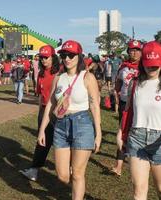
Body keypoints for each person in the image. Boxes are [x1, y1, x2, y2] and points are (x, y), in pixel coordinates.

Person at [117, 41, 161, 200]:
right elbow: (128, 110)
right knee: (138, 191)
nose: (151, 68)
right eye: (148, 65)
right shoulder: (135, 83)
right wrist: (120, 132)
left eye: (155, 65)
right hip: (136, 139)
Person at [38, 40, 101, 200]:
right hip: (60, 125)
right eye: (64, 55)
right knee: (63, 176)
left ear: (79, 56)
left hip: (82, 124)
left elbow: (94, 106)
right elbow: (51, 104)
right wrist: (42, 130)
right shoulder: (58, 77)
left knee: (78, 174)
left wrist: (98, 133)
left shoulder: (87, 77)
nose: (67, 58)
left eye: (71, 55)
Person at [20, 45, 60, 181]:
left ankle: (70, 169)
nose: (43, 60)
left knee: (62, 141)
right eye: (41, 57)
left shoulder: (60, 73)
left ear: (53, 57)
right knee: (42, 141)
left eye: (46, 57)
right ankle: (34, 170)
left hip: (59, 111)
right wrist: (40, 112)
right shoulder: (41, 74)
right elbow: (41, 96)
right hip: (44, 110)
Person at [111, 40, 142, 176]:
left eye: (136, 50)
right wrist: (116, 94)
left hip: (140, 106)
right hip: (125, 104)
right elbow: (118, 81)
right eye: (131, 50)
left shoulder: (145, 67)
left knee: (137, 133)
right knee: (122, 132)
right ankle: (118, 165)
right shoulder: (123, 66)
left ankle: (141, 160)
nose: (133, 52)